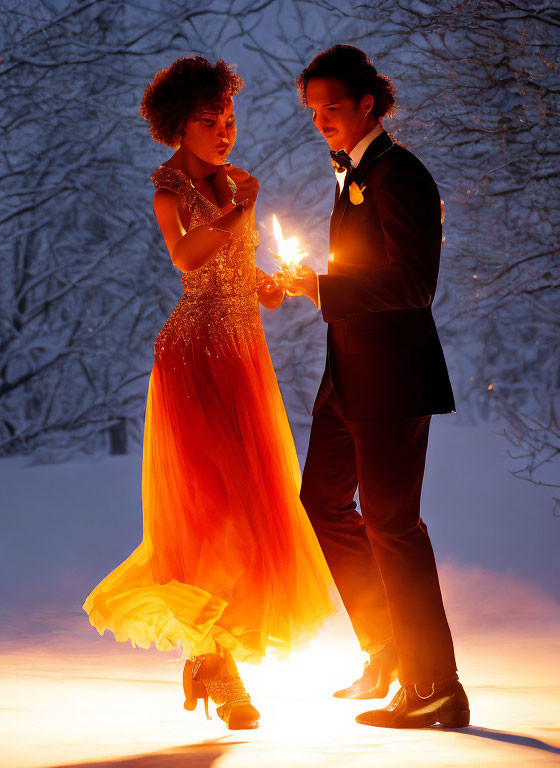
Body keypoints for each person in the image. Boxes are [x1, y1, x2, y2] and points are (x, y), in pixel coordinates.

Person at [82, 56, 334, 731]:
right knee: (212, 517)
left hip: (244, 358)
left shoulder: (233, 182)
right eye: (208, 121)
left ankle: (210, 656)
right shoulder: (172, 190)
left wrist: (265, 284)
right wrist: (240, 209)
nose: (224, 131)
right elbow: (188, 258)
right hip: (195, 361)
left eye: (228, 119)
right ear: (177, 127)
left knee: (255, 516)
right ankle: (220, 669)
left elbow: (229, 259)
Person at [287, 44, 470, 729]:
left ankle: (435, 687)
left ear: (367, 104)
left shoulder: (402, 176)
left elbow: (416, 285)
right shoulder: (352, 175)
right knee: (323, 501)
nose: (321, 120)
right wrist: (311, 286)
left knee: (395, 526)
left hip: (393, 380)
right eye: (313, 110)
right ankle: (389, 650)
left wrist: (323, 287)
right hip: (348, 376)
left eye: (331, 107)